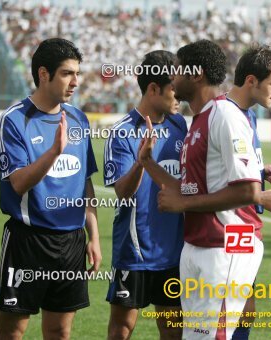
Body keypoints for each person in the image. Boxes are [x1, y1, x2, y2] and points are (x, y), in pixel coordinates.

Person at [135, 39, 262, 339]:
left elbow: (247, 191)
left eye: (177, 70)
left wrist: (183, 205)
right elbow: (189, 190)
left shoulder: (225, 115)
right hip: (198, 244)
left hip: (225, 247)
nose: (172, 77)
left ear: (196, 74)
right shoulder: (198, 119)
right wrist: (148, 163)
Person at [0, 38, 101, 339]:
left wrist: (93, 236)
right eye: (68, 73)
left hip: (71, 243)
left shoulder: (78, 119)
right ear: (44, 74)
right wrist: (54, 151)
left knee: (59, 332)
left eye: (77, 74)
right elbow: (18, 183)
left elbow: (86, 184)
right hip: (27, 241)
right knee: (12, 333)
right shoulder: (15, 120)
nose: (76, 82)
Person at [104, 50, 186, 340]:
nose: (180, 97)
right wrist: (141, 161)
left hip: (174, 251)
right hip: (134, 251)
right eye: (174, 90)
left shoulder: (180, 125)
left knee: (173, 329)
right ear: (153, 89)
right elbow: (123, 193)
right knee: (121, 329)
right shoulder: (122, 132)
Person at [226, 44, 271, 339]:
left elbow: (240, 164)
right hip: (230, 224)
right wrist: (259, 195)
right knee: (231, 311)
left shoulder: (248, 116)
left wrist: (262, 172)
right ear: (252, 80)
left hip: (249, 223)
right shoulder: (224, 114)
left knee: (244, 311)